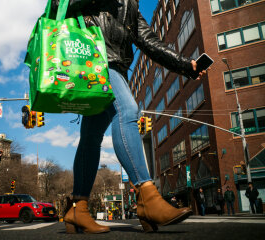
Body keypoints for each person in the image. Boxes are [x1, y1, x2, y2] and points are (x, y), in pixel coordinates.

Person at [49, 0, 208, 234]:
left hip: (116, 69)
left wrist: (185, 65)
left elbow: (150, 42)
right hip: (94, 62)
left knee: (91, 137)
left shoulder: (129, 5)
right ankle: (147, 198)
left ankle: (77, 209)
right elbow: (56, 5)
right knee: (127, 111)